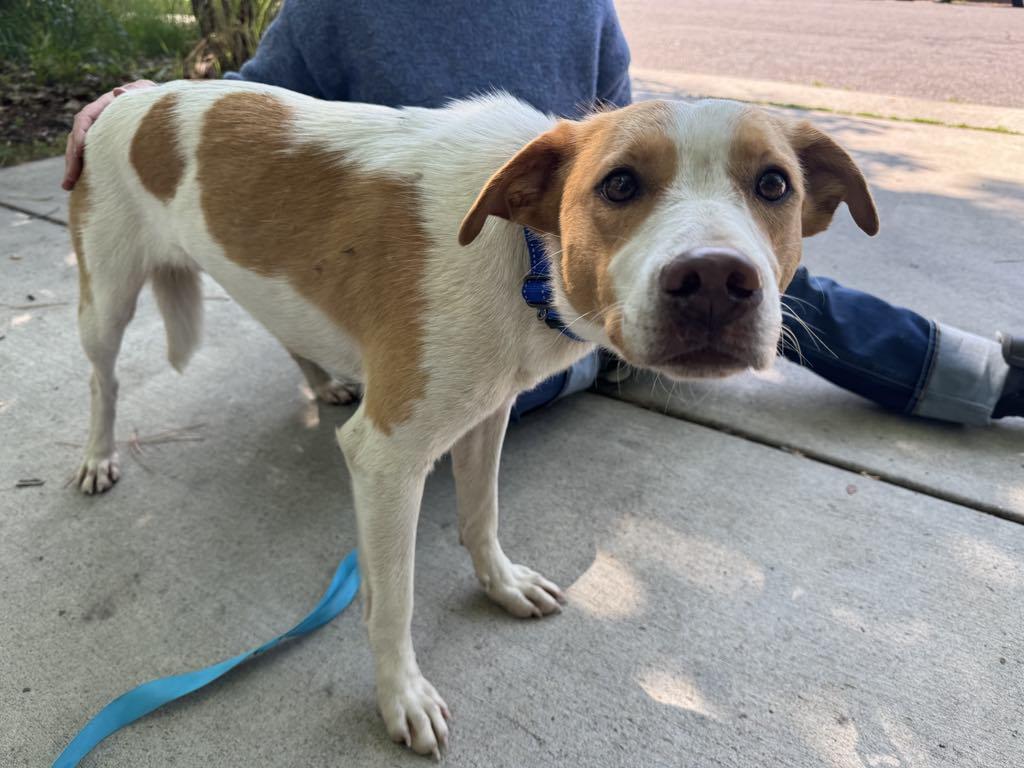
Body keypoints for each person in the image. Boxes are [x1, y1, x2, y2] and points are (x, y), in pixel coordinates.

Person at [60, 0, 1023, 425]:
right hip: (459, 307)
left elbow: (641, 147)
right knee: (675, 304)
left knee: (739, 271)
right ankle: (604, 365)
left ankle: (980, 377)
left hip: (579, 268)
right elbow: (250, 102)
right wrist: (137, 102)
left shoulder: (580, 4)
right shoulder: (335, 7)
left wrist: (688, 216)